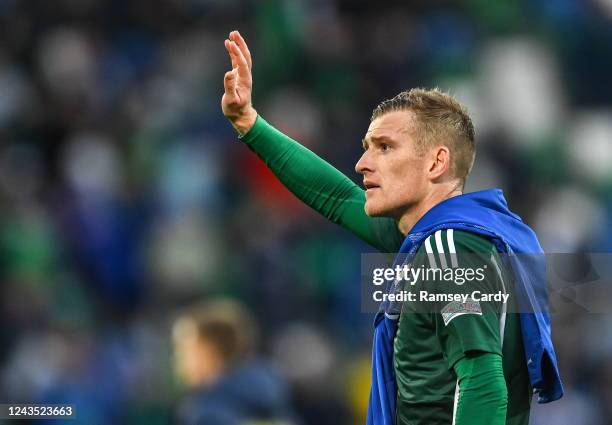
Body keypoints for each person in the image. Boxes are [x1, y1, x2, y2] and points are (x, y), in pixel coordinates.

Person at [221, 31, 563, 425]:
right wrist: (249, 122)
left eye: (384, 147)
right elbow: (337, 198)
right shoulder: (462, 237)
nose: (363, 163)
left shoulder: (449, 248)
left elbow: (483, 382)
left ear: (436, 163)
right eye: (367, 147)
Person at [172, 299, 293, 425]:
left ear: (208, 352)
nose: (178, 358)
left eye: (185, 349)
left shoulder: (210, 413)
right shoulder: (276, 398)